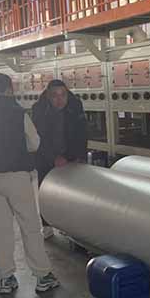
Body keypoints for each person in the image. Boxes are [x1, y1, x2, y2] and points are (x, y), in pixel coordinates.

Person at [0, 70, 59, 294]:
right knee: (30, 226)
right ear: (9, 89)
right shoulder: (18, 114)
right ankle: (42, 276)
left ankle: (6, 278)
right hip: (16, 177)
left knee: (1, 230)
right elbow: (35, 143)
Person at [31, 79, 88, 238]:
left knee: (70, 194)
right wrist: (53, 158)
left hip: (70, 158)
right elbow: (38, 138)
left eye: (63, 95)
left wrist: (79, 156)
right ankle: (46, 225)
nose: (59, 99)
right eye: (55, 95)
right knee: (45, 192)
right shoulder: (39, 109)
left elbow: (81, 134)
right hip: (46, 158)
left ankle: (66, 224)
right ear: (48, 96)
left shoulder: (75, 106)